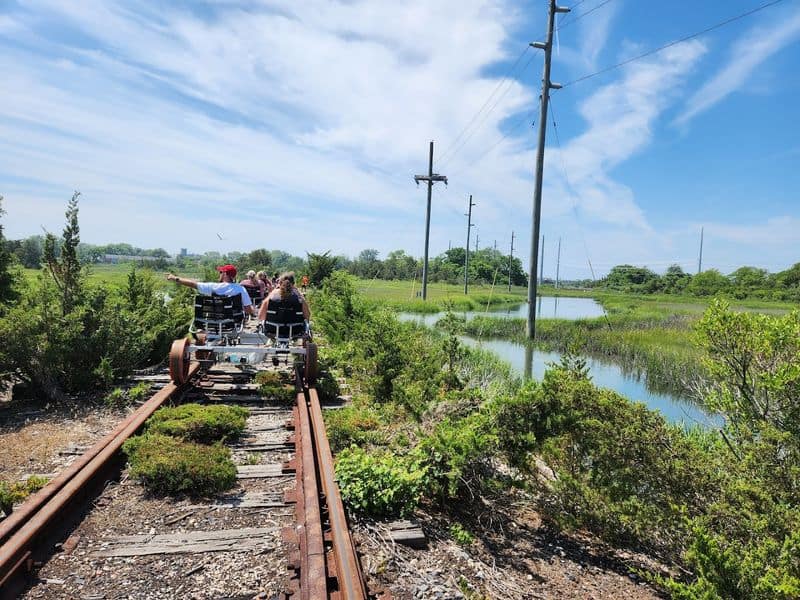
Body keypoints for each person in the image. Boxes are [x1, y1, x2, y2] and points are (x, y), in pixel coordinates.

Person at [166, 264, 256, 317]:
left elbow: (193, 284)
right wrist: (253, 310)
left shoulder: (213, 287)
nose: (219, 274)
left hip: (214, 319)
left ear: (225, 274)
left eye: (220, 272)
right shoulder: (241, 289)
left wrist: (174, 278)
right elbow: (248, 310)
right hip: (234, 321)